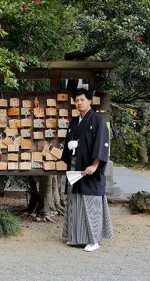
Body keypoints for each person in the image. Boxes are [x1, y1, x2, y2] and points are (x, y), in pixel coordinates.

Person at [61, 89, 113, 252]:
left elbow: (101, 144)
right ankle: (76, 238)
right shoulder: (75, 121)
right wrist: (70, 147)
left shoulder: (98, 120)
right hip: (75, 167)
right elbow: (70, 143)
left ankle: (94, 240)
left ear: (90, 101)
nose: (79, 103)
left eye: (82, 100)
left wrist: (95, 165)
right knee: (74, 203)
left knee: (91, 205)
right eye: (76, 100)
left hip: (90, 169)